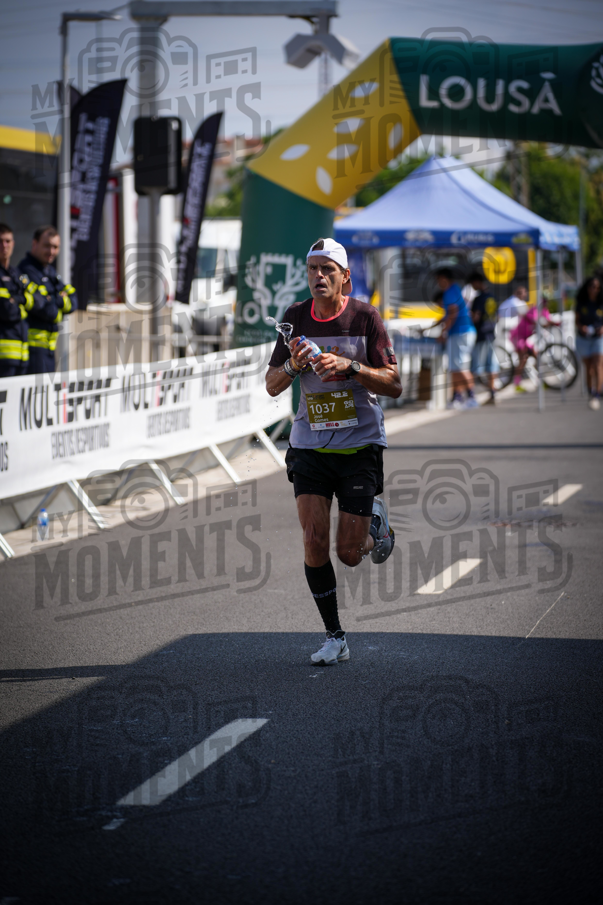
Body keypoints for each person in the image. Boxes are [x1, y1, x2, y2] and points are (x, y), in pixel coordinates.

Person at [265, 238, 401, 666]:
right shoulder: (294, 318)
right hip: (309, 444)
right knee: (313, 540)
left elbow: (395, 384)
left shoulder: (365, 317)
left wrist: (352, 368)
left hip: (359, 444)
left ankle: (374, 522)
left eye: (327, 269)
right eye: (312, 270)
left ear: (345, 276)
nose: (318, 277)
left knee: (348, 553)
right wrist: (294, 366)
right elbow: (271, 384)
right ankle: (334, 636)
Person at [18, 226, 77, 374]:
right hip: (32, 348)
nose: (51, 252)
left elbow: (74, 302)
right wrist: (60, 301)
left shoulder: (50, 271)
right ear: (34, 244)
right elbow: (48, 310)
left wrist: (54, 299)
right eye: (46, 246)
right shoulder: (26, 270)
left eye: (55, 247)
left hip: (49, 348)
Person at [433, 267, 477, 409]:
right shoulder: (455, 290)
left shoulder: (449, 292)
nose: (438, 283)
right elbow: (449, 315)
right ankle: (456, 398)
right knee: (455, 368)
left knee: (461, 367)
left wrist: (443, 332)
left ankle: (472, 397)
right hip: (461, 332)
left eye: (439, 280)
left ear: (444, 278)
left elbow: (453, 313)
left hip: (460, 333)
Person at [0, 223, 40, 377]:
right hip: (3, 357)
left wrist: (17, 300)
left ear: (13, 243)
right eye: (0, 241)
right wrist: (25, 302)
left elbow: (39, 300)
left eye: (8, 241)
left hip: (23, 355)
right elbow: (6, 311)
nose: (4, 246)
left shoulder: (18, 273)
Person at [468, 271, 499, 405]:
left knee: (475, 367)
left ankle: (471, 396)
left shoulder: (479, 298)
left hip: (480, 335)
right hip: (491, 334)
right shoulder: (492, 296)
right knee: (491, 365)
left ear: (476, 282)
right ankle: (492, 393)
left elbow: (476, 316)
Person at [509, 298, 552, 392]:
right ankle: (516, 384)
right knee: (523, 360)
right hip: (519, 337)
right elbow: (532, 319)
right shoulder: (534, 310)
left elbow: (547, 321)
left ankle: (540, 381)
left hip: (527, 340)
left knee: (537, 357)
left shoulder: (544, 311)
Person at [574, 275, 603, 410]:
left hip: (598, 338)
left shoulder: (601, 302)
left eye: (597, 287)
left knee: (598, 365)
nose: (594, 289)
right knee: (589, 368)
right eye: (592, 287)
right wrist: (582, 328)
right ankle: (591, 392)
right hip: (584, 338)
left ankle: (597, 393)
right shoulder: (582, 302)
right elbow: (577, 320)